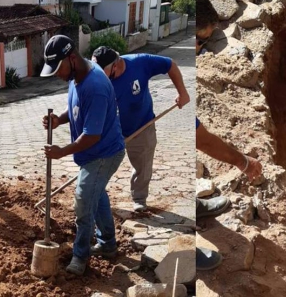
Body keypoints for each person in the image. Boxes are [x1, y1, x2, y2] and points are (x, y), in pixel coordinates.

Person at [39, 35, 126, 276]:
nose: (57, 74)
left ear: (72, 58)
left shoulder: (95, 86)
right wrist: (59, 120)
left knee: (83, 201)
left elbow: (91, 136)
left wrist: (61, 152)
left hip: (103, 153)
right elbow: (77, 107)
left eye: (58, 68)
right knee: (96, 196)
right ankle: (107, 244)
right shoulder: (78, 73)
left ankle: (80, 255)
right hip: (93, 152)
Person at [91, 46, 190, 212]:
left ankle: (139, 198)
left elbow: (170, 64)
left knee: (143, 165)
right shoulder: (95, 79)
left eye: (102, 70)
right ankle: (94, 195)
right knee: (99, 165)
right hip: (110, 130)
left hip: (142, 126)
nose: (97, 74)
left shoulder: (140, 62)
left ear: (115, 65)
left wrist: (183, 92)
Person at [195, 117, 263, 270]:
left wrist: (242, 161)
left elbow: (201, 138)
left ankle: (192, 206)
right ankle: (184, 249)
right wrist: (243, 162)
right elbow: (202, 141)